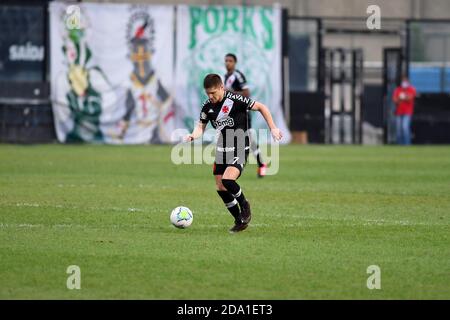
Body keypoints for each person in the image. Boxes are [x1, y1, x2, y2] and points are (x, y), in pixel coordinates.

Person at [185, 74, 283, 233]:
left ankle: (245, 206)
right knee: (220, 187)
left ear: (222, 87)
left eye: (213, 93)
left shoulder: (236, 100)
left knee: (228, 180)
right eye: (208, 93)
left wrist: (273, 128)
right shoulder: (207, 106)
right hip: (222, 149)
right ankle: (239, 220)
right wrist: (192, 135)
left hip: (239, 146)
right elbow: (200, 127)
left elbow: (262, 107)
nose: (211, 97)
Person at [223, 53, 267, 178]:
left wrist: (229, 92)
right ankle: (235, 165)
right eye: (226, 60)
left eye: (230, 60)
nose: (227, 63)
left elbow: (246, 93)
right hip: (232, 114)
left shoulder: (238, 76)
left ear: (235, 62)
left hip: (242, 113)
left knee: (249, 138)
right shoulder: (226, 77)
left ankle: (261, 165)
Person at [393, 76, 416, 145]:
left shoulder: (411, 89)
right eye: (403, 81)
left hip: (407, 112)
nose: (404, 83)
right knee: (398, 129)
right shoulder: (398, 89)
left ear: (408, 82)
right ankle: (399, 144)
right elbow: (395, 100)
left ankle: (407, 144)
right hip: (399, 112)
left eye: (405, 81)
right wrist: (401, 98)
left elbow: (410, 98)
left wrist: (403, 97)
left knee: (405, 127)